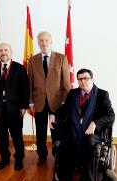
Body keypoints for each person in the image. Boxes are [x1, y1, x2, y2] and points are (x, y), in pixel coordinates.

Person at [49, 68, 115, 181]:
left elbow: (110, 115)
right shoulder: (73, 93)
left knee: (91, 143)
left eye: (86, 78)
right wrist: (53, 114)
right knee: (64, 142)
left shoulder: (102, 94)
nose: (83, 81)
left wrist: (95, 123)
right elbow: (64, 109)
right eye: (80, 79)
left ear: (92, 79)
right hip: (74, 129)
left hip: (92, 132)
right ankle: (64, 179)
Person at [28, 31, 71, 165]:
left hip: (57, 103)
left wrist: (66, 102)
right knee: (40, 132)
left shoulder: (61, 58)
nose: (44, 43)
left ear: (51, 42)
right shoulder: (32, 60)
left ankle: (57, 156)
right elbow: (29, 82)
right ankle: (42, 155)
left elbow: (66, 83)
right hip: (39, 102)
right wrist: (30, 102)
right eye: (41, 40)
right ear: (38, 42)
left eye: (46, 40)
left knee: (56, 132)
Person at [0, 43, 29, 171]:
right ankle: (4, 158)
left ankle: (19, 158)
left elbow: (24, 89)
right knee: (2, 135)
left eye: (6, 50)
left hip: (15, 109)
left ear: (11, 52)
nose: (3, 52)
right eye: (1, 50)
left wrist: (24, 106)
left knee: (16, 135)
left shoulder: (20, 68)